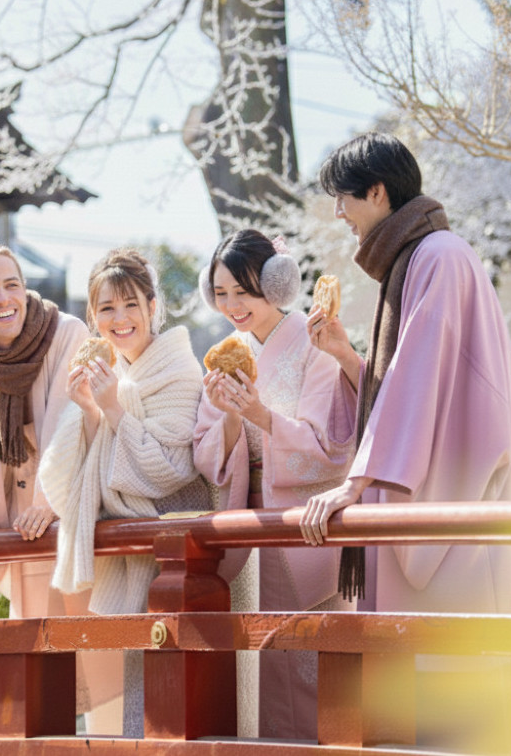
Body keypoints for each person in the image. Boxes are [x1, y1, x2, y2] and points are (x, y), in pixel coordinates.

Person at [300, 132, 511, 753]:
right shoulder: (424, 254)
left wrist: (357, 480)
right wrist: (348, 357)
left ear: (377, 192)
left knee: (451, 708)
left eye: (344, 199)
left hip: (458, 494)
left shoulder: (437, 255)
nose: (339, 214)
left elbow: (419, 377)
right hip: (443, 480)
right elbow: (416, 381)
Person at [0, 242, 121, 733]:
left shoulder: (67, 334)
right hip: (26, 540)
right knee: (42, 701)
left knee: (108, 693)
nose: (3, 299)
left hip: (76, 530)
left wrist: (48, 501)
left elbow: (72, 421)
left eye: (11, 285)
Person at [40, 247, 213, 736]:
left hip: (181, 554)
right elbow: (63, 478)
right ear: (93, 318)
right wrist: (90, 411)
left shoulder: (179, 371)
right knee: (142, 693)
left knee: (181, 694)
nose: (120, 319)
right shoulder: (109, 375)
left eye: (131, 304)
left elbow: (170, 468)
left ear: (152, 307)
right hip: (138, 550)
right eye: (106, 308)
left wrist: (113, 407)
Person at [192, 229, 357, 741]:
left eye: (243, 292)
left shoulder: (313, 343)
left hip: (305, 521)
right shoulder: (226, 352)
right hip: (250, 526)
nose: (232, 306)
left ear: (276, 284)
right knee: (256, 669)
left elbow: (331, 445)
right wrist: (231, 417)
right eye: (222, 293)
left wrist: (261, 415)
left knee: (310, 664)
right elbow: (207, 455)